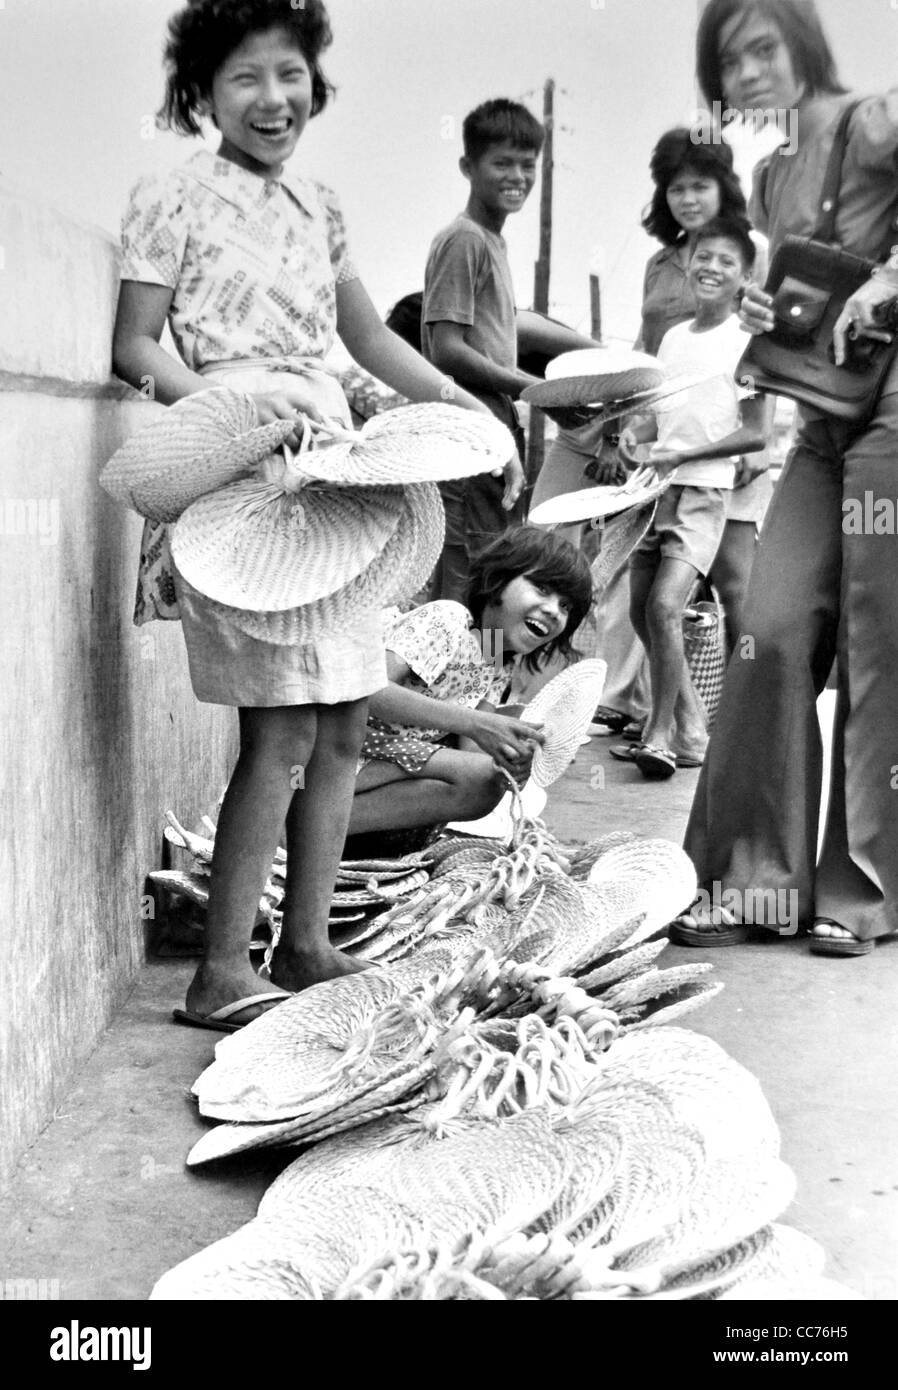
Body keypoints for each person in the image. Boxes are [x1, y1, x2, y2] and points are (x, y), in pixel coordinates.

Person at [111, 0, 500, 1030]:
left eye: (288, 74)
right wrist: (240, 406)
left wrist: (463, 406)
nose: (272, 99)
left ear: (312, 81)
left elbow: (368, 334)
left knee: (338, 724)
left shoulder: (319, 203)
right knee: (277, 729)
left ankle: (306, 941)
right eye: (244, 78)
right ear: (201, 93)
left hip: (338, 485)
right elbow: (138, 349)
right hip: (247, 484)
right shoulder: (169, 192)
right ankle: (219, 973)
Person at [677, 0, 898, 956]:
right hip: (822, 415)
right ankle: (754, 884)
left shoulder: (876, 119)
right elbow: (807, 289)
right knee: (764, 629)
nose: (750, 73)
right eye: (730, 62)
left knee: (875, 627)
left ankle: (863, 895)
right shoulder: (768, 176)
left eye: (764, 47)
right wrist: (769, 305)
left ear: (802, 44)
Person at [422, 98, 599, 601]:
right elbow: (445, 351)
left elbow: (499, 339)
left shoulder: (493, 242)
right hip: (465, 433)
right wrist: (535, 387)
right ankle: (439, 680)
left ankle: (481, 677)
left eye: (528, 165)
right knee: (462, 583)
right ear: (467, 167)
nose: (517, 176)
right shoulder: (464, 240)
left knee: (490, 576)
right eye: (502, 163)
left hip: (495, 430)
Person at [615, 218, 767, 780]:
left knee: (665, 605)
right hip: (654, 490)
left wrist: (682, 455)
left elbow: (756, 433)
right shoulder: (674, 338)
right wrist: (638, 436)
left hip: (704, 492)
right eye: (703, 257)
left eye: (727, 261)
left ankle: (660, 734)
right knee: (638, 608)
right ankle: (694, 726)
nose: (711, 268)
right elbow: (657, 420)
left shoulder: (749, 343)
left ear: (745, 277)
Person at [347, 527, 592, 841]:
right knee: (479, 777)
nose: (553, 610)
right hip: (344, 746)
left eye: (566, 607)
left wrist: (513, 755)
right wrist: (477, 723)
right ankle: (306, 827)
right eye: (543, 589)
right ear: (497, 581)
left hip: (388, 761)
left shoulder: (496, 662)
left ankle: (337, 827)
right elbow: (367, 689)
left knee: (486, 781)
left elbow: (474, 755)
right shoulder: (448, 621)